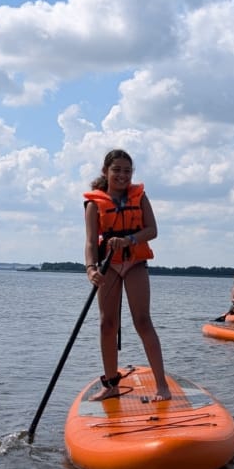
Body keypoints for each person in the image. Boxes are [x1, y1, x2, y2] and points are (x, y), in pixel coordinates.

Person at [83, 149, 171, 401]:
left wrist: (130, 239)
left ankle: (162, 386)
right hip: (108, 265)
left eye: (127, 170)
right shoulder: (93, 203)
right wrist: (91, 269)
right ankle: (111, 384)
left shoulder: (140, 197)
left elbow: (152, 230)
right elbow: (90, 242)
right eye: (117, 170)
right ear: (106, 172)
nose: (122, 175)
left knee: (143, 321)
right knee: (106, 323)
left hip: (134, 262)